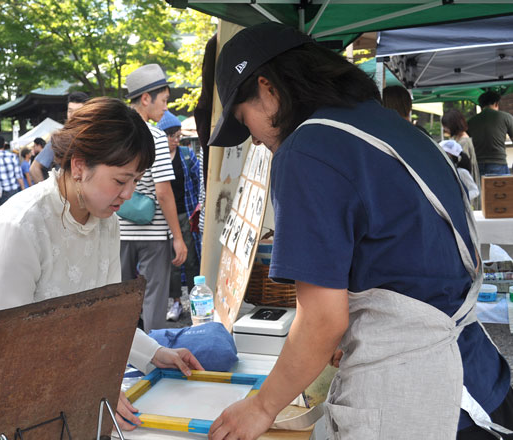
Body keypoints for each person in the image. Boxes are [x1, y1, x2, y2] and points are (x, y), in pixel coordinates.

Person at [206, 23, 512, 440]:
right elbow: (405, 260)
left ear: (268, 87)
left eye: (246, 121)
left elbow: (322, 320)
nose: (256, 143)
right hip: (479, 375)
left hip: (421, 397)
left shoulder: (305, 150)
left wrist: (261, 407)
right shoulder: (395, 129)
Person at [0, 98, 202, 439]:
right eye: (120, 180)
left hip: (52, 356)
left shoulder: (106, 220)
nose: (128, 194)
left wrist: (156, 353)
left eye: (136, 181)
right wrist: (90, 387)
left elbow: (103, 316)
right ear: (80, 165)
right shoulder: (21, 225)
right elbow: (15, 344)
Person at [120, 64, 187, 332]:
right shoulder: (156, 137)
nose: (166, 108)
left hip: (118, 229)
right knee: (153, 298)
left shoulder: (117, 134)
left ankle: (121, 360)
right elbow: (163, 191)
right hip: (153, 232)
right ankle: (154, 358)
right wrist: (178, 236)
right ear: (146, 98)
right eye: (164, 101)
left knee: (119, 298)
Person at [156, 110, 201, 322]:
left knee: (191, 259)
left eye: (178, 135)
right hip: (163, 217)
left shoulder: (186, 154)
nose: (175, 140)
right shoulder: (154, 157)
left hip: (186, 213)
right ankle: (175, 302)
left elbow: (199, 180)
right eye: (171, 135)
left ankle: (194, 301)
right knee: (172, 262)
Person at [30, 91, 90, 183]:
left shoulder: (95, 136)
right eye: (70, 111)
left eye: (78, 111)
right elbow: (34, 168)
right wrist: (50, 195)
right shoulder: (60, 138)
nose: (73, 115)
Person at [468, 90, 513, 176]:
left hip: (477, 164)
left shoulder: (471, 121)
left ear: (481, 105)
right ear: (496, 103)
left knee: (481, 189)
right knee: (500, 189)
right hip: (498, 162)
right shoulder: (506, 117)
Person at [442, 109, 480, 184]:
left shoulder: (464, 141)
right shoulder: (456, 137)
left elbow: (463, 165)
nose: (445, 129)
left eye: (446, 126)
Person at [0, 135, 24, 208]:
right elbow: (18, 176)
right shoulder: (12, 156)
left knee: (1, 216)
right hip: (13, 190)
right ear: (4, 144)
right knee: (15, 214)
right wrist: (23, 190)